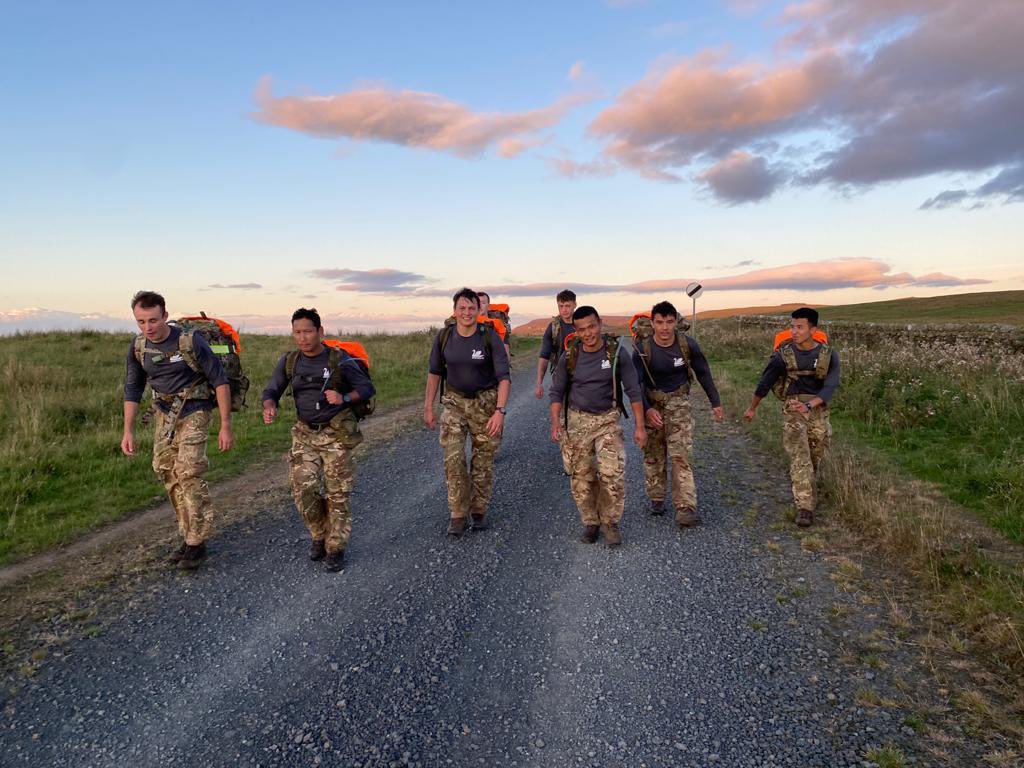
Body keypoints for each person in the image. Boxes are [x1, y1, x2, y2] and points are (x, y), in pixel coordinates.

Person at [121, 290, 233, 570]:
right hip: (164, 413)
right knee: (164, 469)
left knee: (189, 471)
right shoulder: (138, 347)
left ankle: (196, 542)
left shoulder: (189, 340)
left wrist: (225, 426)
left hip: (196, 409)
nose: (148, 328)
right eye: (141, 322)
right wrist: (128, 431)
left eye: (153, 320)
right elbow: (133, 388)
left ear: (165, 317)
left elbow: (220, 380)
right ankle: (188, 533)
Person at [261, 308, 375, 572]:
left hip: (335, 435)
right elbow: (271, 390)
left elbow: (368, 388)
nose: (302, 338)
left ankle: (335, 547)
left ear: (320, 332)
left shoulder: (340, 360)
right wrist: (270, 406)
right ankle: (319, 534)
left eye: (308, 331)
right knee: (303, 489)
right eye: (297, 332)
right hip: (304, 435)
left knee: (337, 494)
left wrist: (344, 398)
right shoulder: (290, 361)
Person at [549, 306, 645, 547]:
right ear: (577, 331)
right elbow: (556, 392)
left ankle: (610, 522)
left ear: (600, 323)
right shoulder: (570, 356)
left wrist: (640, 427)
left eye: (592, 326)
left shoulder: (615, 353)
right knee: (582, 476)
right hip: (577, 422)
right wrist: (555, 423)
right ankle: (591, 521)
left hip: (607, 421)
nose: (588, 333)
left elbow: (633, 390)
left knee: (613, 471)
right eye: (582, 329)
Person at [424, 288, 511, 536]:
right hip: (454, 403)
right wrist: (428, 406)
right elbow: (434, 373)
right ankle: (457, 514)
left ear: (478, 310)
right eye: (461, 308)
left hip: (485, 404)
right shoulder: (444, 337)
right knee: (453, 459)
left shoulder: (489, 337)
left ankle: (479, 510)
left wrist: (500, 411)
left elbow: (504, 378)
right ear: (454, 311)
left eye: (471, 308)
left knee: (483, 461)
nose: (466, 313)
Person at [744, 307, 840, 527]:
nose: (794, 332)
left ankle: (805, 487)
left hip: (817, 408)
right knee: (800, 456)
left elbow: (831, 386)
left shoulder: (828, 355)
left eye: (800, 327)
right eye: (792, 326)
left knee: (817, 452)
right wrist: (752, 408)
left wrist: (810, 405)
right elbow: (764, 383)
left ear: (813, 329)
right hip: (794, 408)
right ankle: (804, 507)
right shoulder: (782, 356)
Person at [633, 300, 723, 527]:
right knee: (653, 454)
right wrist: (646, 409)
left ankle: (685, 507)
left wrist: (715, 402)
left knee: (679, 454)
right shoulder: (642, 350)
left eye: (669, 322)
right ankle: (657, 496)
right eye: (660, 322)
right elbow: (635, 385)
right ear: (652, 323)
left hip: (679, 404)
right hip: (651, 404)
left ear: (676, 323)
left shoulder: (687, 345)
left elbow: (703, 373)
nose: (664, 328)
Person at [536, 289, 577, 474]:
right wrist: (539, 383)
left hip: (582, 380)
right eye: (561, 306)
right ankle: (569, 462)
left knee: (580, 417)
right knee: (562, 419)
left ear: (574, 305)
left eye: (567, 305)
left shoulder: (582, 323)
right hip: (561, 379)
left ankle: (581, 456)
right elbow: (544, 356)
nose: (564, 309)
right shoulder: (553, 327)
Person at [477, 291, 512, 360]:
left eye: (483, 303)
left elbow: (506, 352)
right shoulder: (466, 325)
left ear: (488, 306)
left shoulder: (498, 325)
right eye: (477, 303)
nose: (480, 305)